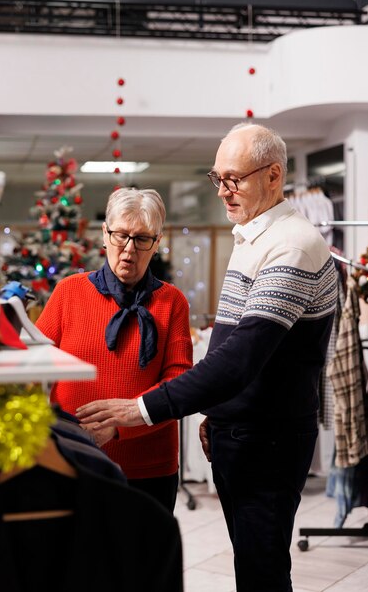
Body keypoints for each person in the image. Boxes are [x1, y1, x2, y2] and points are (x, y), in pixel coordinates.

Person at [75, 123, 338, 592]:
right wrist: (216, 415)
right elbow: (231, 345)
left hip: (268, 443)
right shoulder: (253, 236)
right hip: (242, 434)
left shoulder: (291, 246)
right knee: (252, 566)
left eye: (234, 178)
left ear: (274, 175)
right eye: (218, 178)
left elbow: (240, 360)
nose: (223, 191)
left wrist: (136, 410)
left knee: (262, 573)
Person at [36, 187, 192, 512]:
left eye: (142, 239)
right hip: (71, 460)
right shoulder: (69, 292)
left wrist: (121, 427)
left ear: (157, 243)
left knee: (143, 560)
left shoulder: (171, 302)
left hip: (150, 468)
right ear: (104, 235)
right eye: (121, 236)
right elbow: (34, 361)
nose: (129, 250)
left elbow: (179, 384)